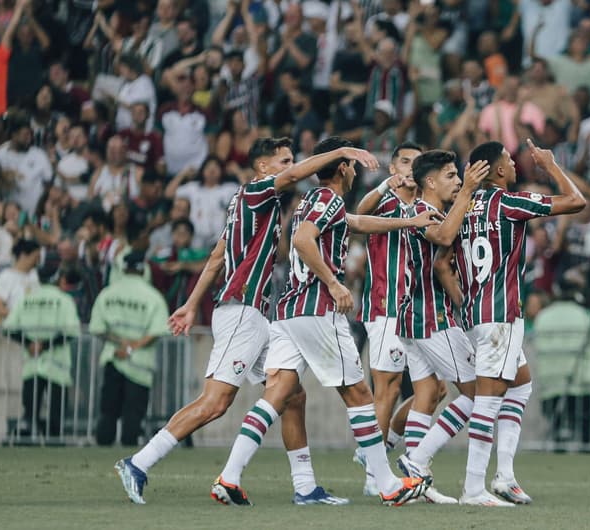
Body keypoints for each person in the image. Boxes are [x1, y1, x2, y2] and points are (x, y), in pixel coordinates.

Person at [115, 138, 381, 506]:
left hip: (255, 314)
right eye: (284, 161)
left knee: (292, 395)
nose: (292, 167)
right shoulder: (255, 191)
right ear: (262, 167)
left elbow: (215, 257)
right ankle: (138, 463)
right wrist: (341, 152)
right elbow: (294, 177)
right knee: (215, 402)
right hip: (243, 311)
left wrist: (191, 305)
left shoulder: (253, 207)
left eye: (292, 160)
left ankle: (305, 487)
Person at [210, 136, 442, 507]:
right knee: (359, 395)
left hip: (287, 313)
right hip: (317, 310)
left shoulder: (309, 202)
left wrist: (409, 220)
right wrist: (334, 284)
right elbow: (303, 241)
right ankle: (386, 484)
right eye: (350, 166)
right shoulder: (328, 199)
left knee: (278, 394)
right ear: (345, 168)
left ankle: (231, 476)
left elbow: (358, 223)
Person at [451, 139, 585, 506]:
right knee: (488, 399)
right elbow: (576, 201)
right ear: (497, 170)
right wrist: (552, 166)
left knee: (520, 386)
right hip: (500, 316)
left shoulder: (462, 206)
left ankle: (505, 475)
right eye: (509, 160)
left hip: (473, 312)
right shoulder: (509, 203)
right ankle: (473, 488)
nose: (515, 165)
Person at [394, 150, 491, 504]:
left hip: (411, 319)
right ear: (430, 182)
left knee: (426, 396)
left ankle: (416, 485)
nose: (458, 181)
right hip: (430, 318)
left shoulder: (419, 209)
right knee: (478, 393)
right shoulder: (423, 212)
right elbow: (445, 238)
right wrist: (468, 193)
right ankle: (416, 460)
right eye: (451, 176)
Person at [354, 141, 423, 496]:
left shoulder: (428, 206)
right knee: (388, 389)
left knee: (436, 388)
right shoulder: (385, 202)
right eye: (406, 162)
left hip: (421, 313)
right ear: (395, 168)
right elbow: (359, 215)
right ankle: (373, 479)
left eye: (418, 163)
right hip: (386, 309)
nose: (412, 168)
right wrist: (383, 184)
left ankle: (383, 450)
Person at [90, 250, 170, 447]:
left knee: (108, 411)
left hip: (114, 358)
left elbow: (98, 329)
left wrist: (121, 343)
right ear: (143, 270)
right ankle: (129, 458)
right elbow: (158, 330)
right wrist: (133, 347)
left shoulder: (108, 293)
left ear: (123, 268)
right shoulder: (153, 297)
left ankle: (100, 454)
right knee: (133, 415)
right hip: (140, 364)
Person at [3, 266, 81, 437]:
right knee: (56, 411)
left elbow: (8, 328)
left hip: (32, 363)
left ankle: (30, 441)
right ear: (57, 277)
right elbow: (72, 331)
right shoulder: (64, 300)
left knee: (30, 409)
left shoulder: (26, 299)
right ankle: (54, 443)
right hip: (57, 366)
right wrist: (45, 345)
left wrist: (31, 344)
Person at [534, 280, 590, 452]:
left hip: (551, 378)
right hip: (580, 379)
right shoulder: (585, 315)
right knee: (584, 426)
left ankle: (558, 447)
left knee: (557, 426)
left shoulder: (543, 316)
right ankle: (587, 448)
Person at [0, 238, 41, 324]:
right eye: (36, 257)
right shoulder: (6, 277)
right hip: (14, 329)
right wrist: (21, 316)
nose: (38, 261)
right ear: (23, 256)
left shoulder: (34, 275)